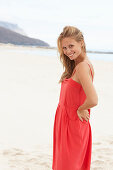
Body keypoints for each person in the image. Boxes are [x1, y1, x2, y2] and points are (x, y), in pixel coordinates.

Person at [52, 26, 98, 170]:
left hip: (72, 125)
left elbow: (93, 99)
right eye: (64, 48)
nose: (67, 51)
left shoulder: (83, 66)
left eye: (71, 46)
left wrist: (81, 108)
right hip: (65, 123)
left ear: (81, 43)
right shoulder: (77, 65)